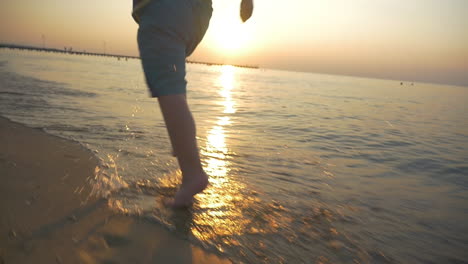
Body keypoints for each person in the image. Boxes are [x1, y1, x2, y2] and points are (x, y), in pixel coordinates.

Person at [132, 0, 253, 208]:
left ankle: (193, 174)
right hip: (194, 13)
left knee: (167, 87)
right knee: (173, 85)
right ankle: (182, 145)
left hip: (165, 9)